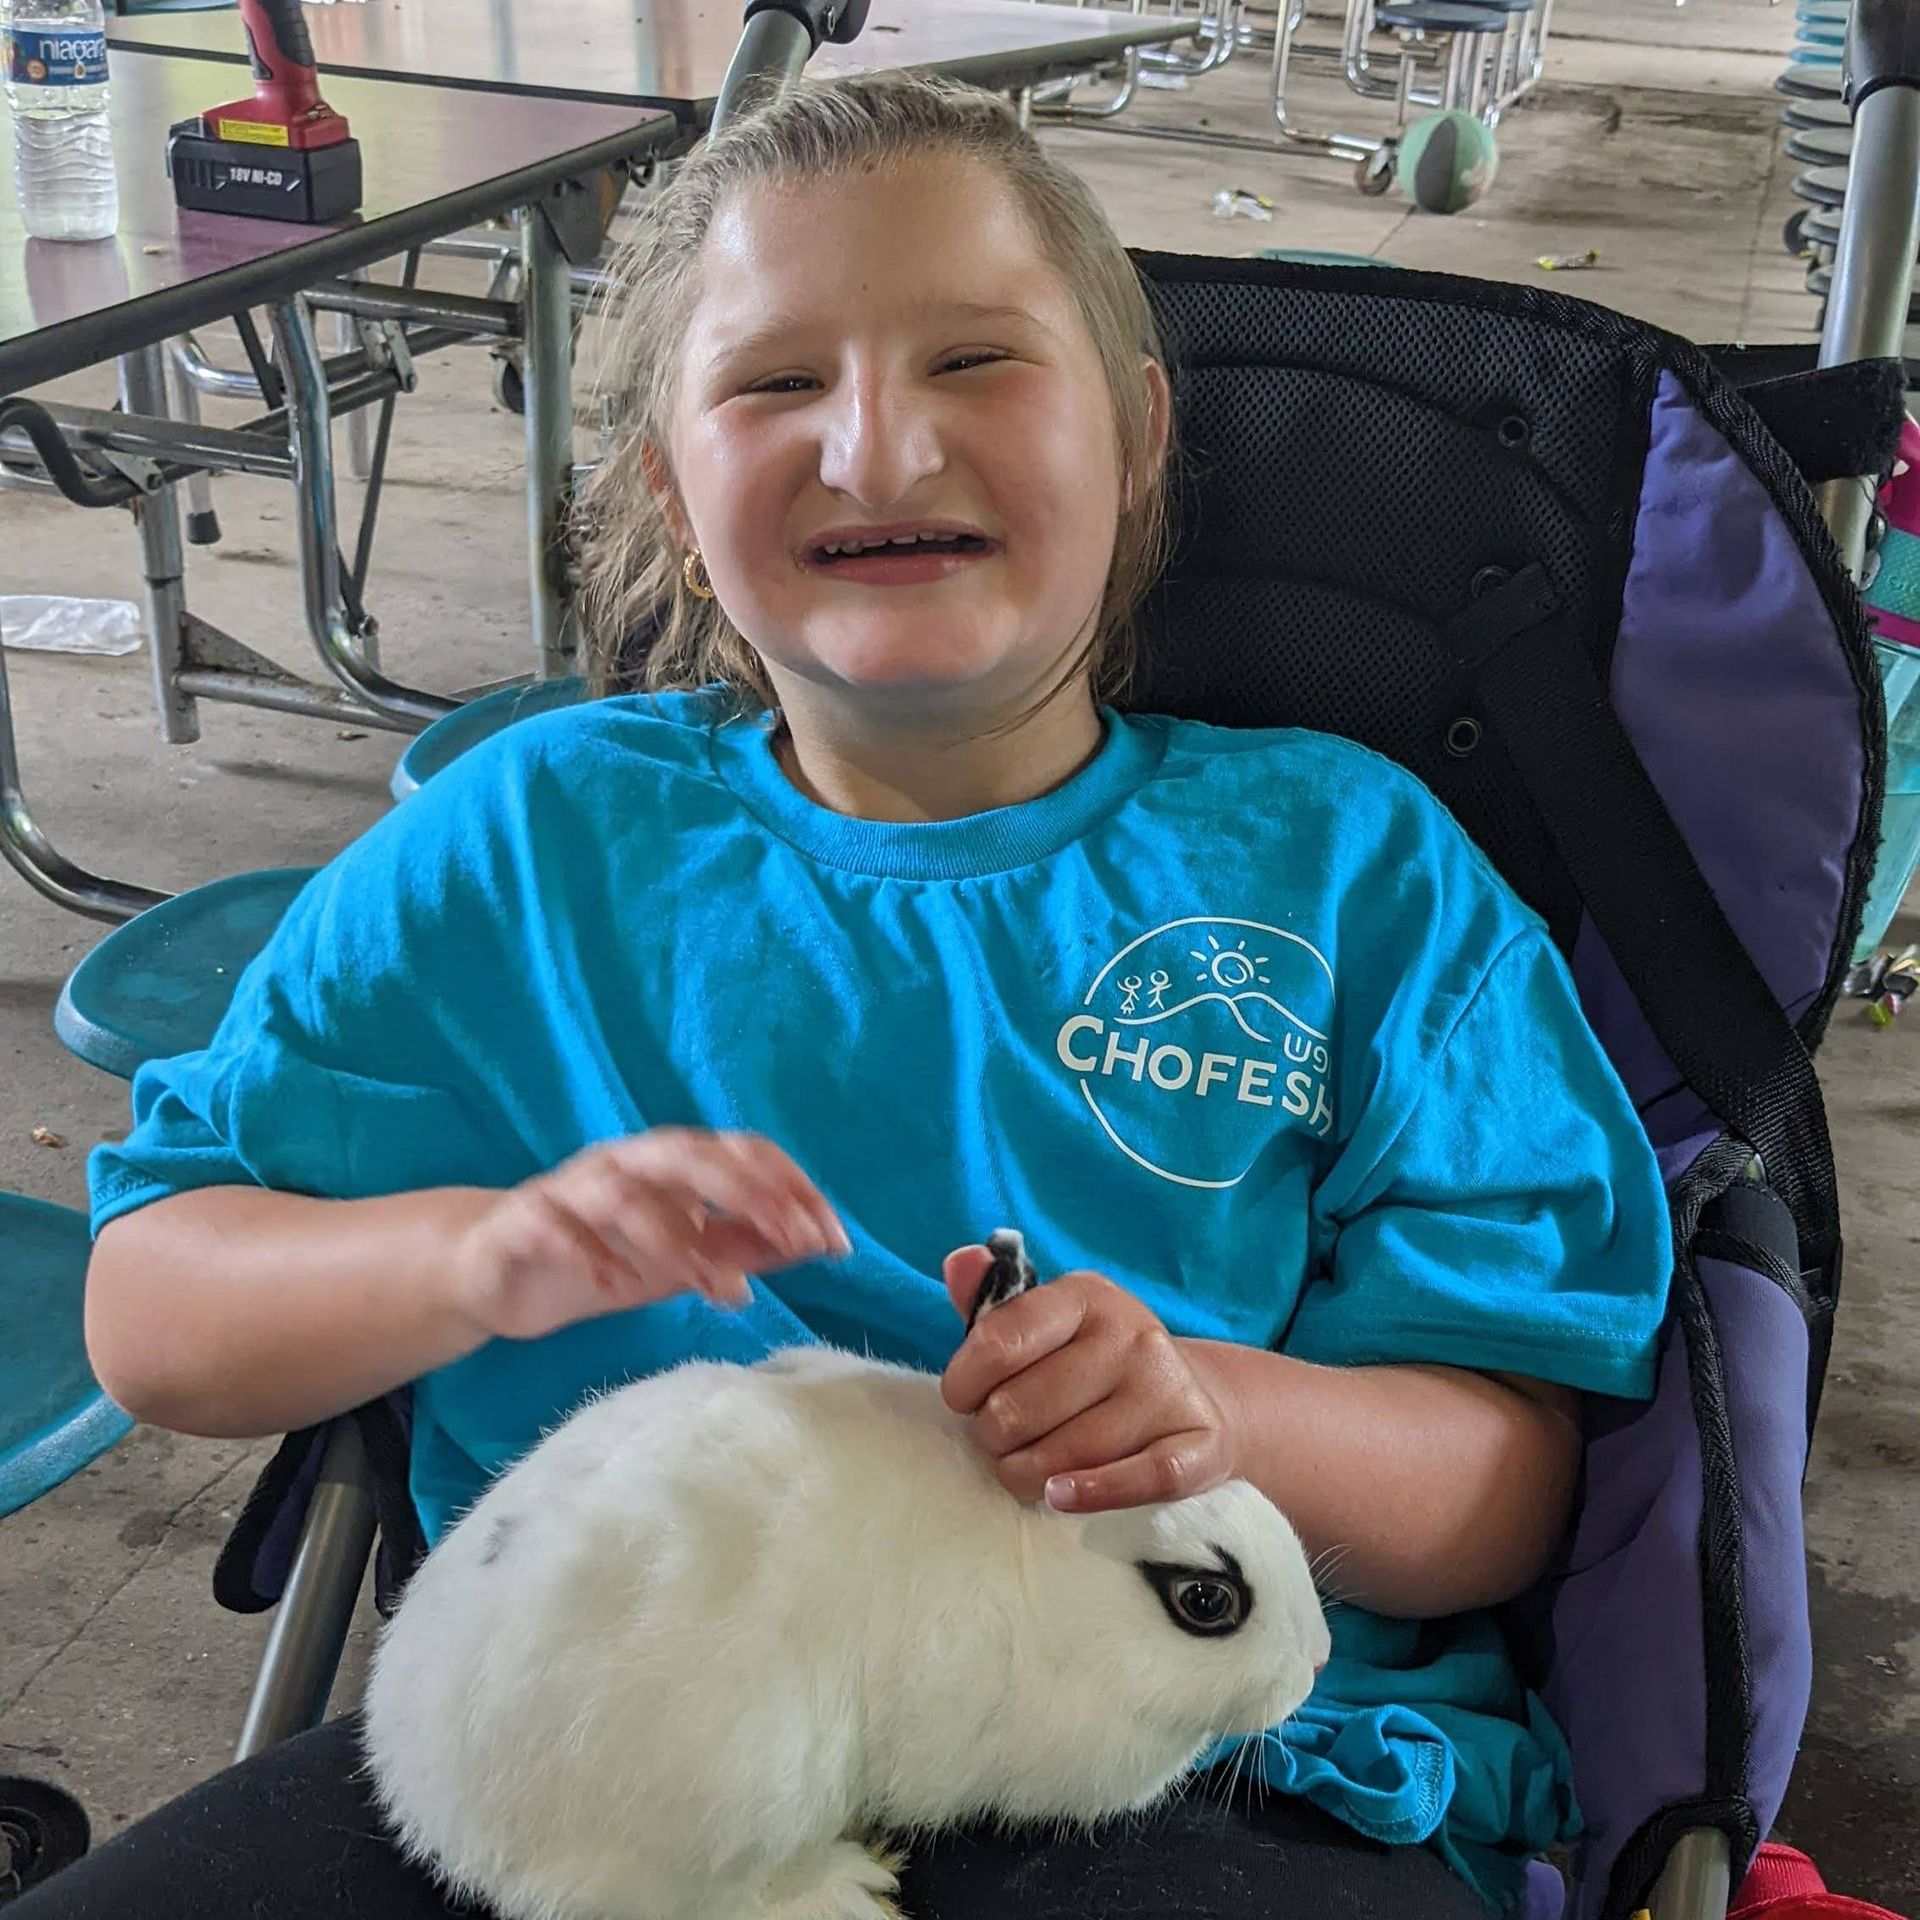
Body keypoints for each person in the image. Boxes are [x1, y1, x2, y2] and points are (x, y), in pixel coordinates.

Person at [23, 73, 1670, 1920]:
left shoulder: (1350, 863)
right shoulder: (528, 846)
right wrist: (465, 1258)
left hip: (1215, 1762)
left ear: (1133, 436)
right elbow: (153, 1314)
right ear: (668, 476)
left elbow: (1507, 1492)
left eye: (973, 359)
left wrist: (1199, 1411)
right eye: (775, 382)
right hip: (621, 1779)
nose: (877, 453)